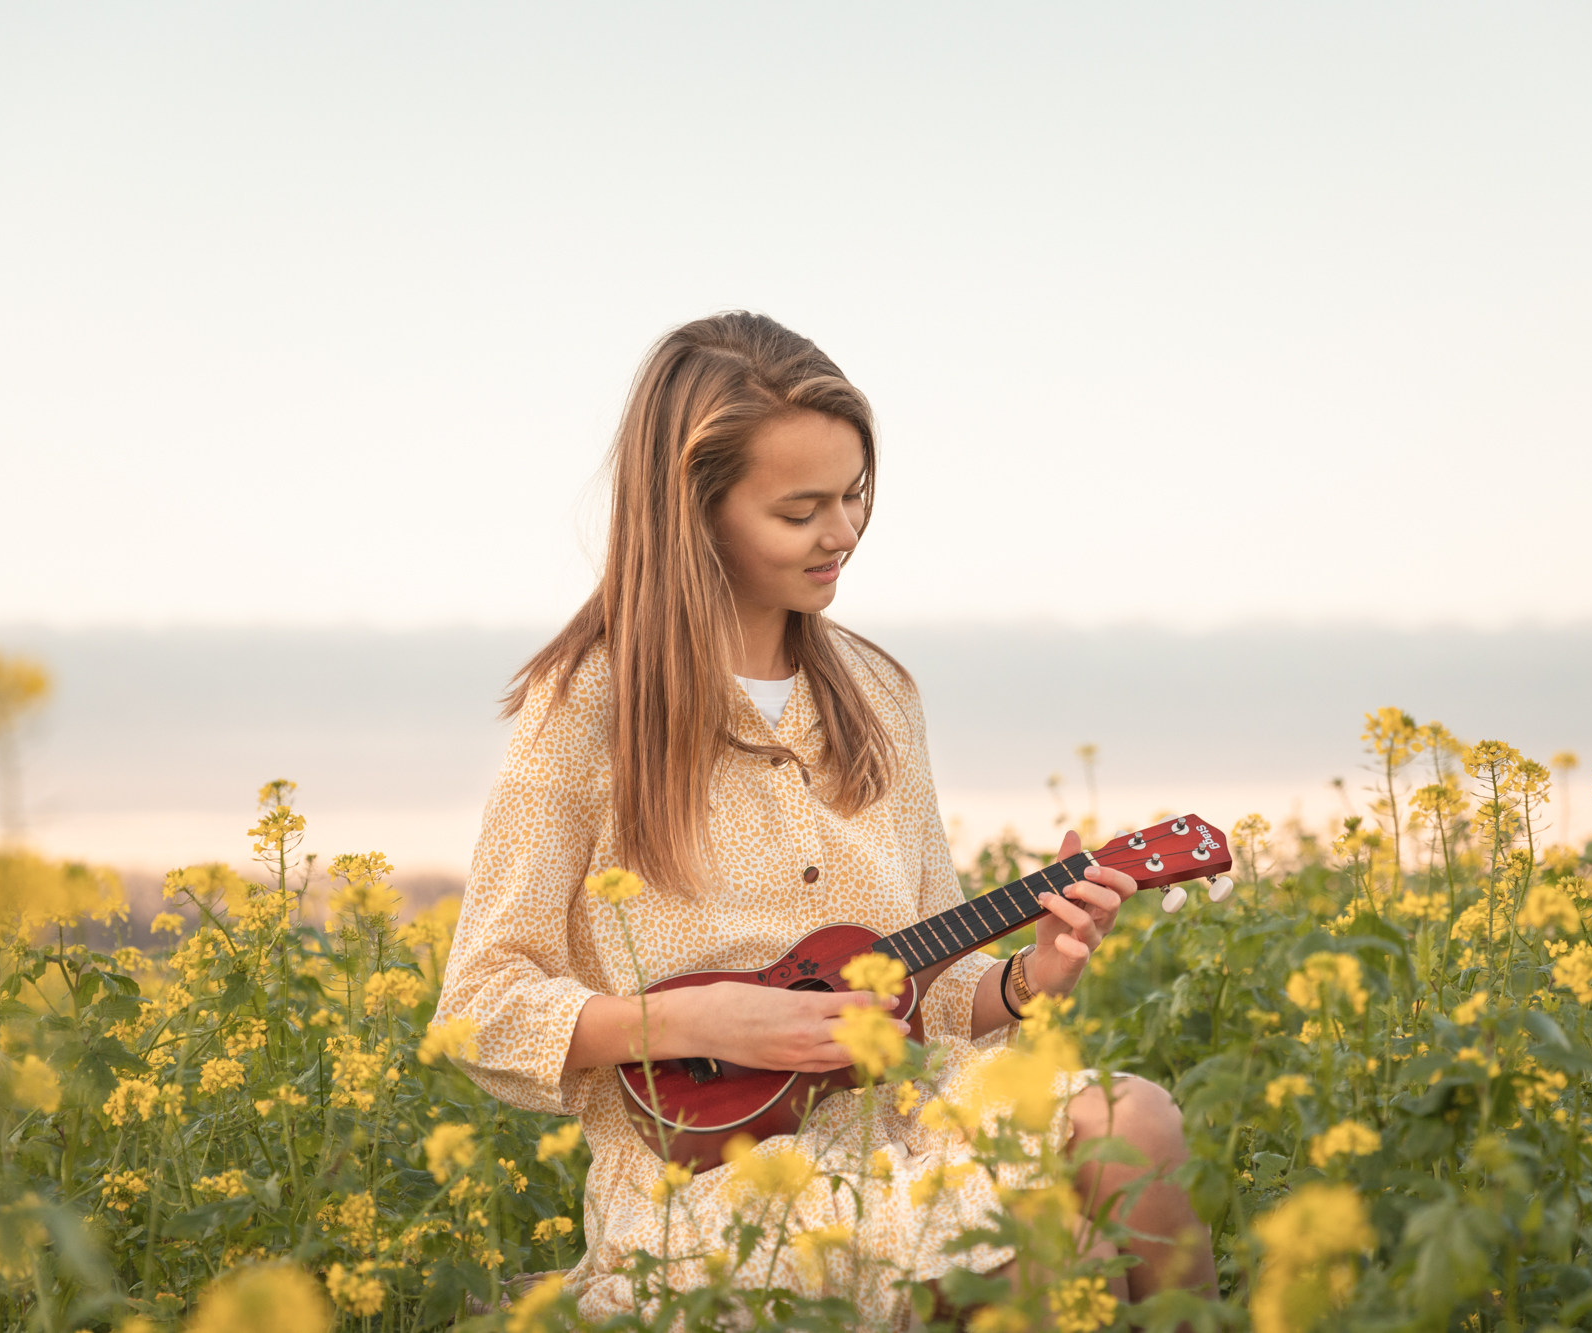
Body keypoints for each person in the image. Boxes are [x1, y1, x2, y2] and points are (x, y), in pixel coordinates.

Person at [433, 312, 1216, 1324]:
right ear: (694, 512)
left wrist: (1028, 978)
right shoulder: (591, 703)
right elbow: (478, 1007)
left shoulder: (879, 691)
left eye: (854, 495)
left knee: (1134, 1119)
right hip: (717, 1181)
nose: (842, 532)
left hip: (909, 1123)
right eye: (800, 509)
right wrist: (688, 1020)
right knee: (1016, 1259)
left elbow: (919, 987)